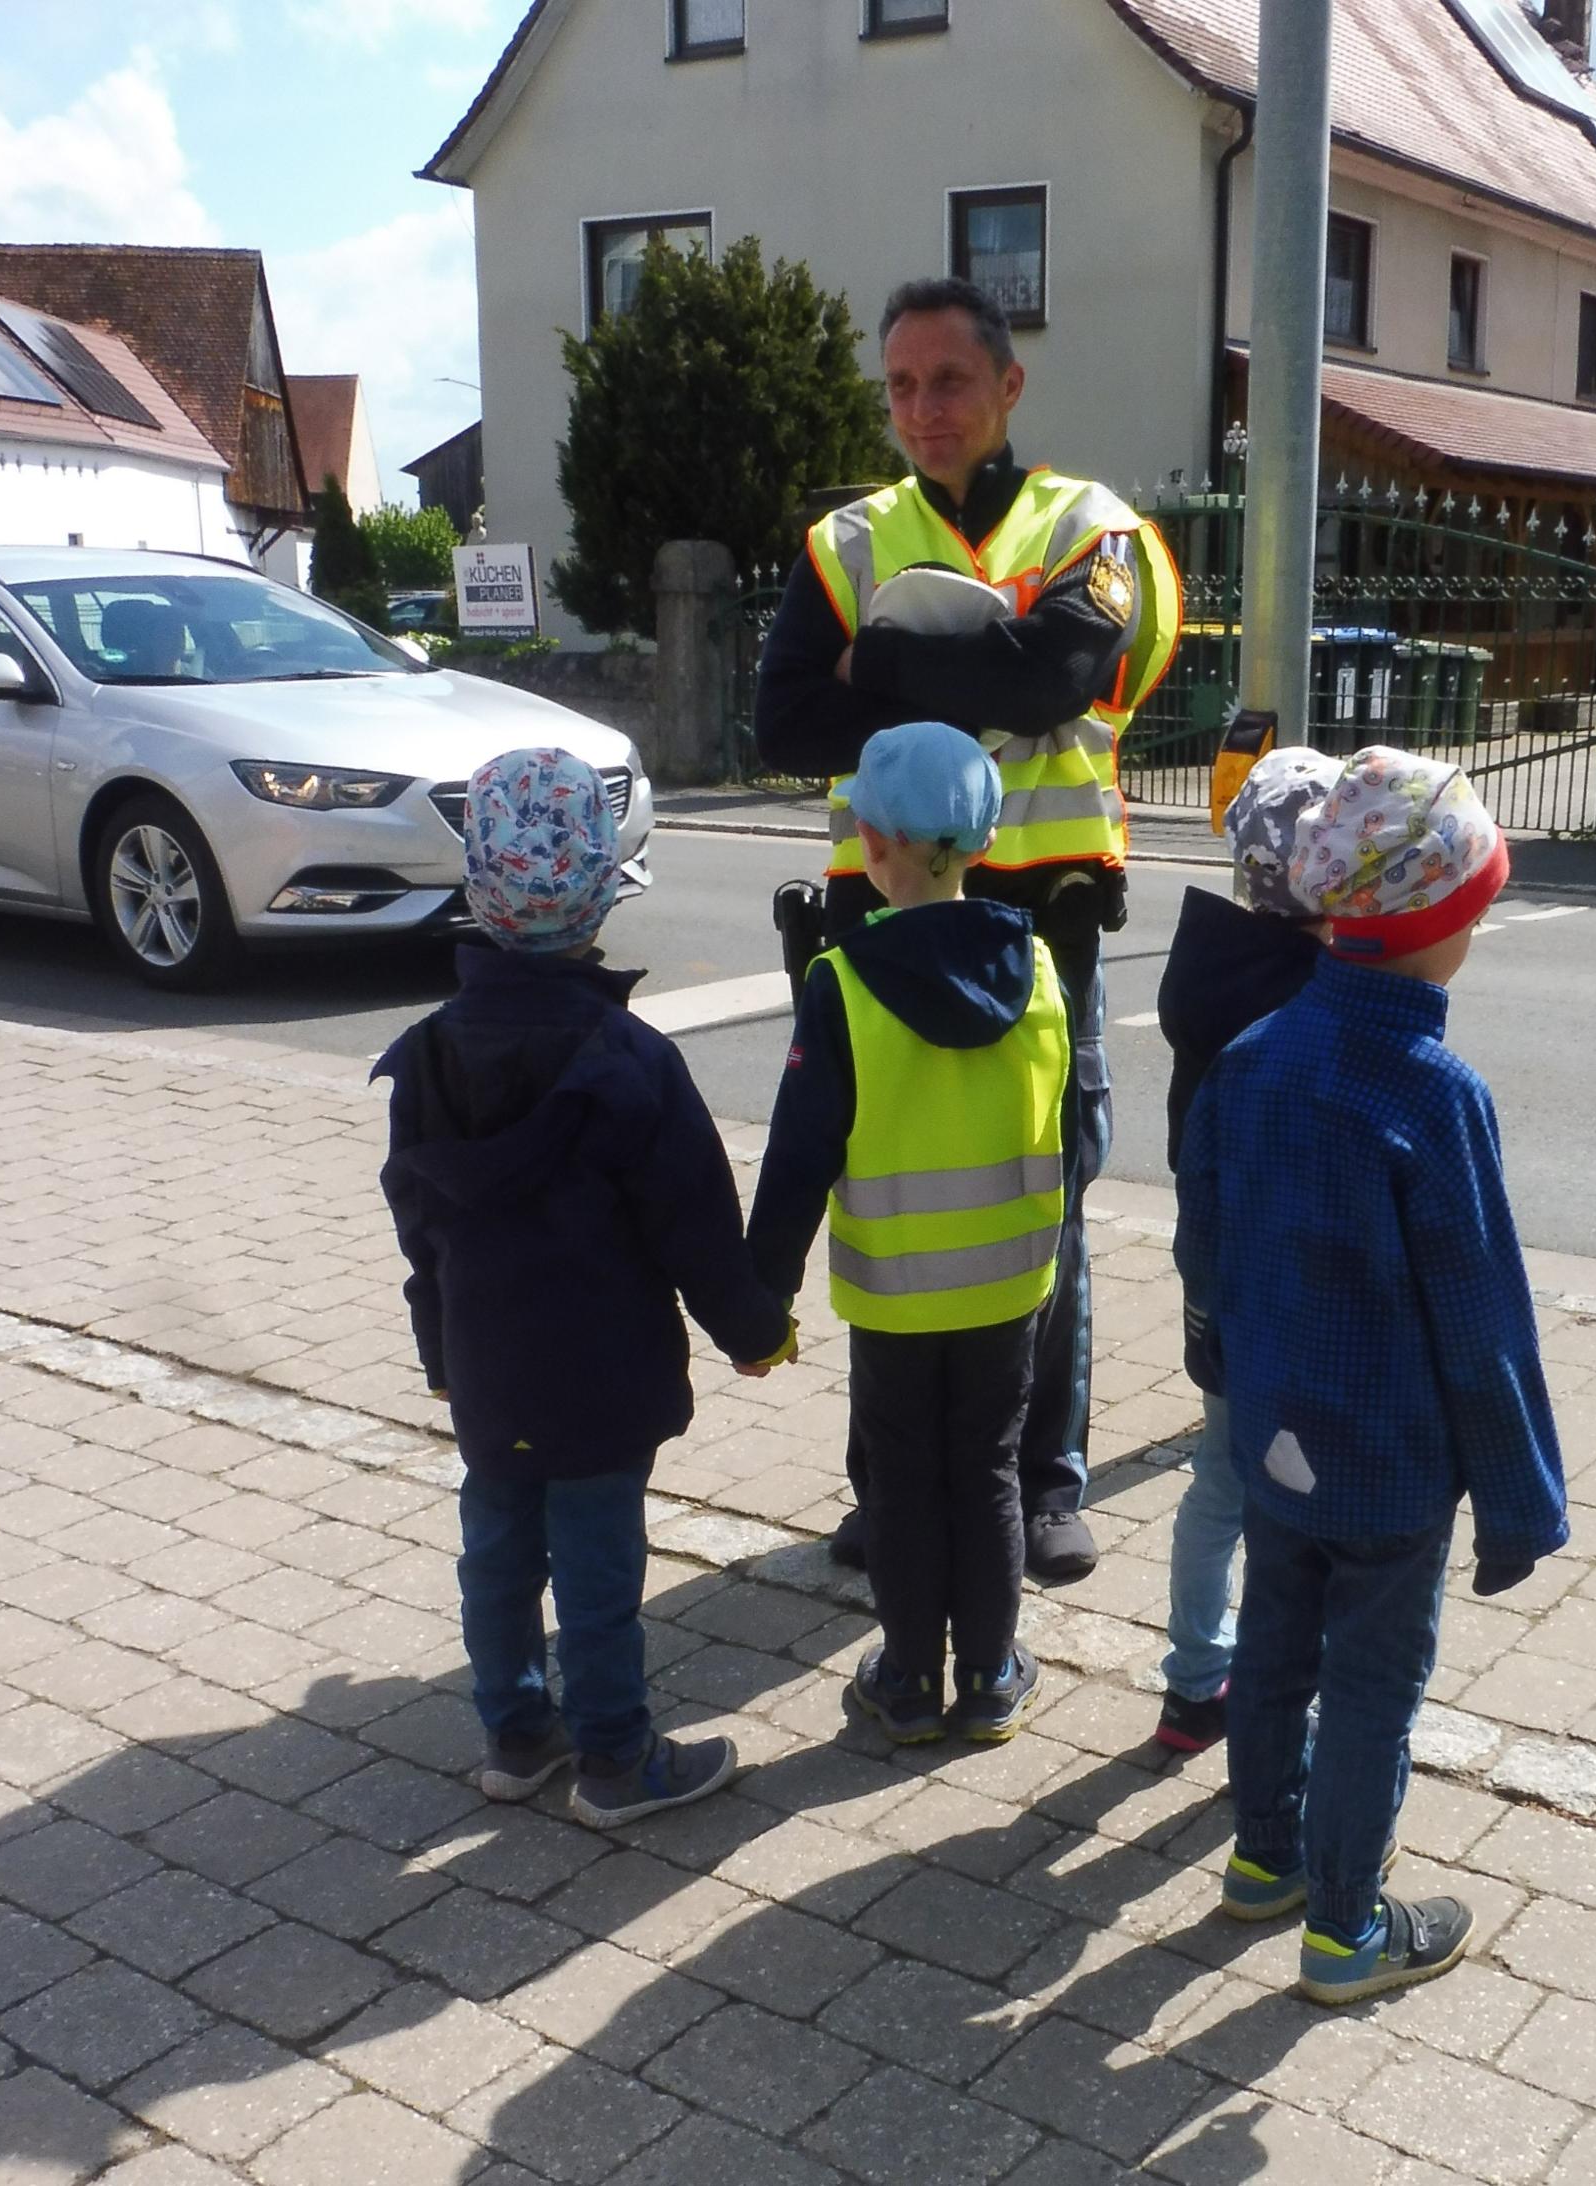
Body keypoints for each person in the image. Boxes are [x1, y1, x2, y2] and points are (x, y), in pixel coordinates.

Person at [753, 274, 1180, 1585]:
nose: (920, 408)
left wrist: (871, 670)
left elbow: (1057, 671)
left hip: (1038, 933)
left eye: (946, 380)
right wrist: (979, 681)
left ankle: (1041, 1481)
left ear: (1007, 385)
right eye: (898, 385)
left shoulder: (1096, 530)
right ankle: (888, 1488)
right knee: (885, 1205)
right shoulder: (845, 541)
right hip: (873, 935)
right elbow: (779, 727)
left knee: (1038, 1207)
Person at [1175, 747, 1568, 2006]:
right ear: (1439, 922)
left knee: (1279, 1644)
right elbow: (1482, 1319)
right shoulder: (1437, 1092)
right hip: (1391, 1464)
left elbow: (1207, 1245)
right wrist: (1520, 1504)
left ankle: (1261, 1855)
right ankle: (1347, 1924)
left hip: (1276, 1434)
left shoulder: (1254, 1055)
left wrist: (1230, 1372)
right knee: (1371, 1687)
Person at [374, 749, 795, 1827]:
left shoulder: (425, 1058)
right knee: (599, 1567)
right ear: (605, 888)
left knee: (499, 1548)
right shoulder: (629, 1061)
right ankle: (617, 1756)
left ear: (479, 890)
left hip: (487, 1363)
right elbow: (693, 1224)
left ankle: (517, 1734)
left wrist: (437, 1350)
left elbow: (421, 1228)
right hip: (603, 1376)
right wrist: (754, 1328)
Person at [748, 722, 1070, 1744]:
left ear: (872, 846)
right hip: (1008, 1289)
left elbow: (800, 1155)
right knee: (987, 1468)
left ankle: (903, 1675)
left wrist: (763, 1295)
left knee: (902, 1476)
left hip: (892, 1293)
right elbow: (1071, 1122)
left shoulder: (842, 985)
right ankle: (987, 1675)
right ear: (980, 841)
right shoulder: (1044, 971)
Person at [1152, 748, 1342, 1755]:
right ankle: (1280, 1702)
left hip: (1212, 1261)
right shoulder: (1312, 998)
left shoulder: (1210, 964)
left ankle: (1192, 1681)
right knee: (1291, 1492)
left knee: (1218, 1476)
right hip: (1292, 1281)